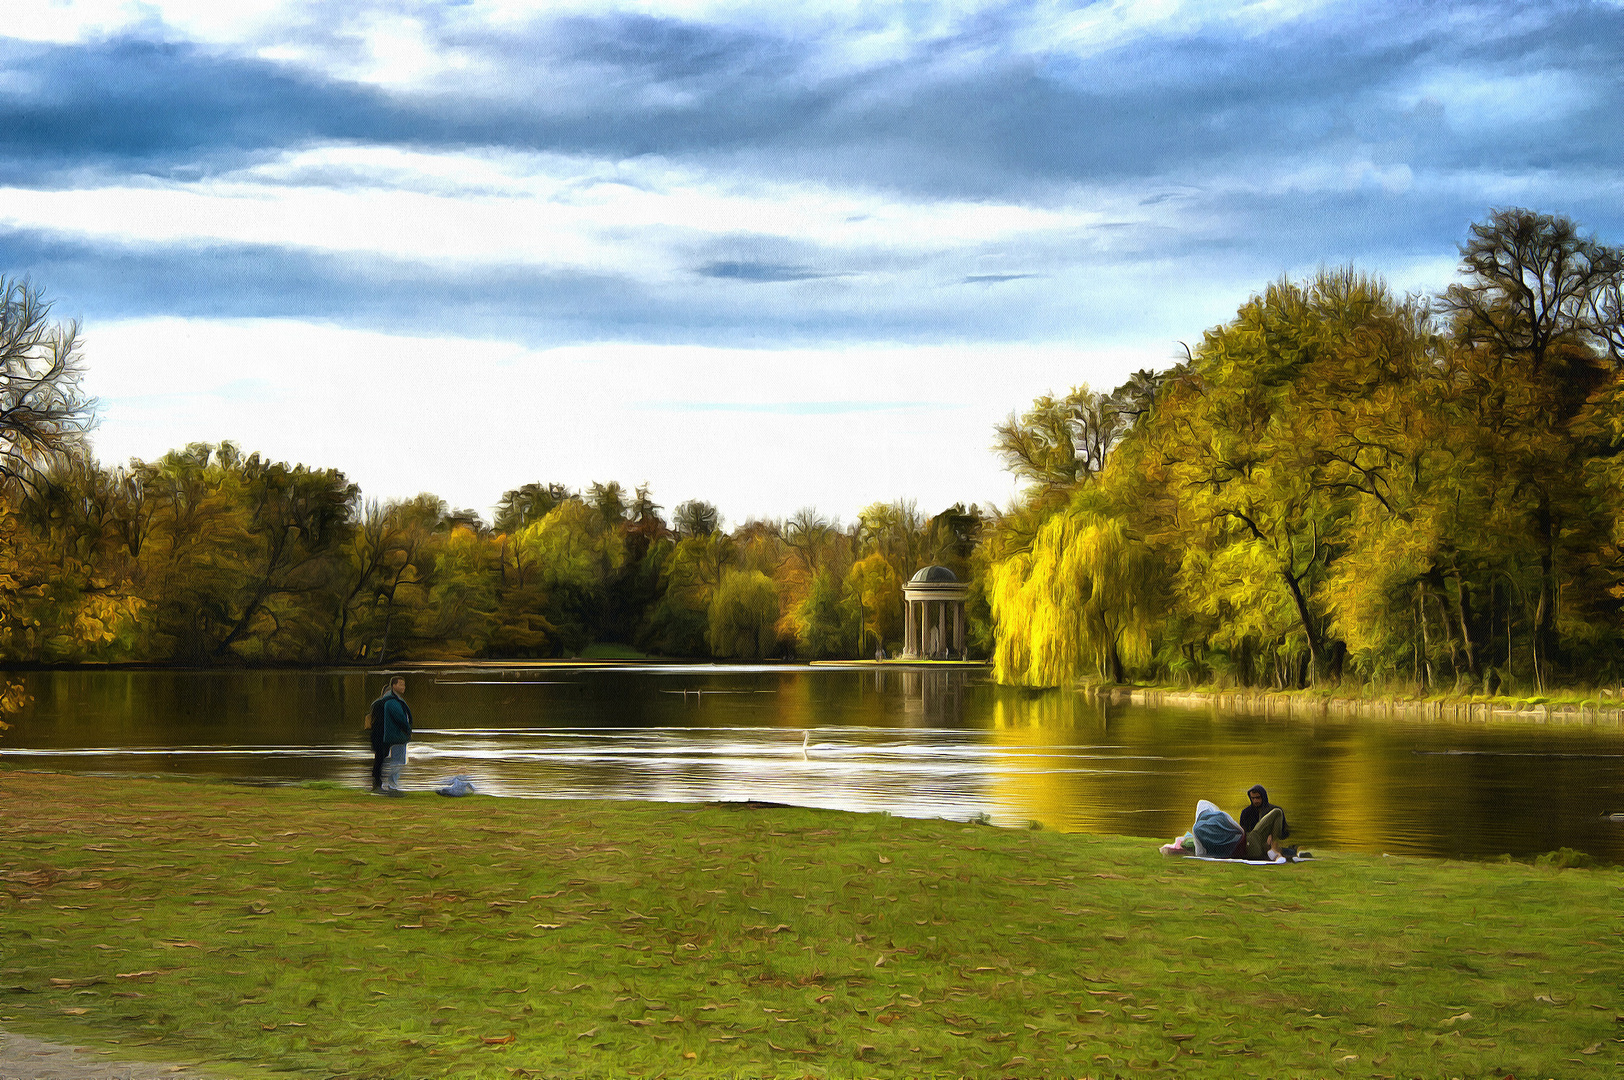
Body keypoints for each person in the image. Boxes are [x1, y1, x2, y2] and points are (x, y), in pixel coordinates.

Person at [368, 676, 413, 797]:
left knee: (380, 761)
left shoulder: (379, 703)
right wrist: (407, 730)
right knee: (385, 761)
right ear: (393, 687)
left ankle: (379, 785)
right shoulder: (391, 703)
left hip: (380, 735)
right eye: (401, 685)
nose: (403, 687)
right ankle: (385, 786)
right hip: (384, 735)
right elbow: (399, 719)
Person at [1238, 784, 1291, 860]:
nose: (1255, 801)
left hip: (1267, 844)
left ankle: (1274, 849)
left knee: (1288, 851)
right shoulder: (1246, 812)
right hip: (1252, 841)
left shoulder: (1272, 809)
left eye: (1258, 798)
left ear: (1263, 797)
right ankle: (1274, 850)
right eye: (1253, 798)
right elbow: (1244, 832)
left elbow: (1284, 833)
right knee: (1277, 812)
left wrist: (1272, 835)